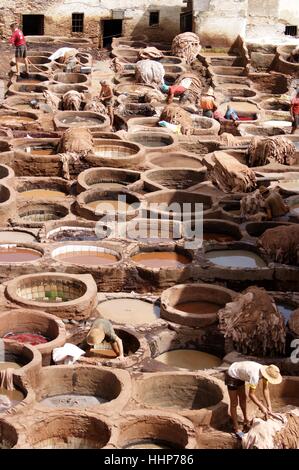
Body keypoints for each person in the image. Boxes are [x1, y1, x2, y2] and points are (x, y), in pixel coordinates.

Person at [225, 361, 282, 439]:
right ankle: (236, 428)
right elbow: (251, 395)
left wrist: (269, 406)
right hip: (232, 374)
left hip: (240, 374)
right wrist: (261, 406)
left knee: (243, 398)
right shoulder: (255, 375)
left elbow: (265, 389)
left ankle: (246, 420)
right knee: (234, 403)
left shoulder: (266, 372)